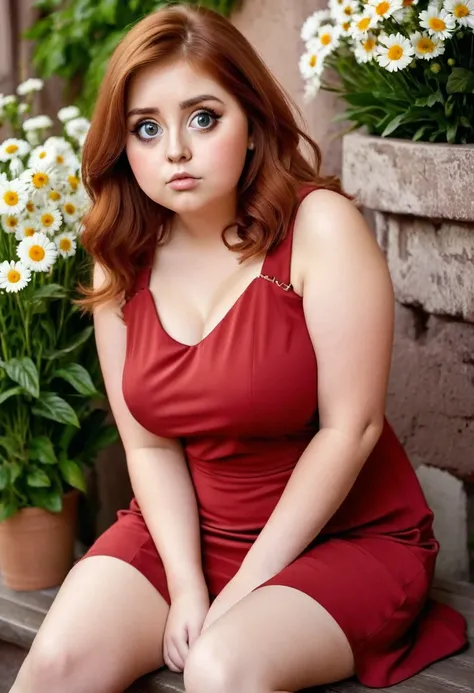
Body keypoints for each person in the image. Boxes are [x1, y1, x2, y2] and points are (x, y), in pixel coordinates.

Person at [10, 4, 467, 693]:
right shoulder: (119, 258)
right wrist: (189, 585)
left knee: (221, 671)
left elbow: (353, 429)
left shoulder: (319, 228)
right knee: (54, 666)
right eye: (146, 128)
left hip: (342, 540)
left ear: (251, 122)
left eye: (203, 117)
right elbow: (149, 447)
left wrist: (244, 589)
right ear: (122, 146)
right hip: (184, 533)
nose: (176, 152)